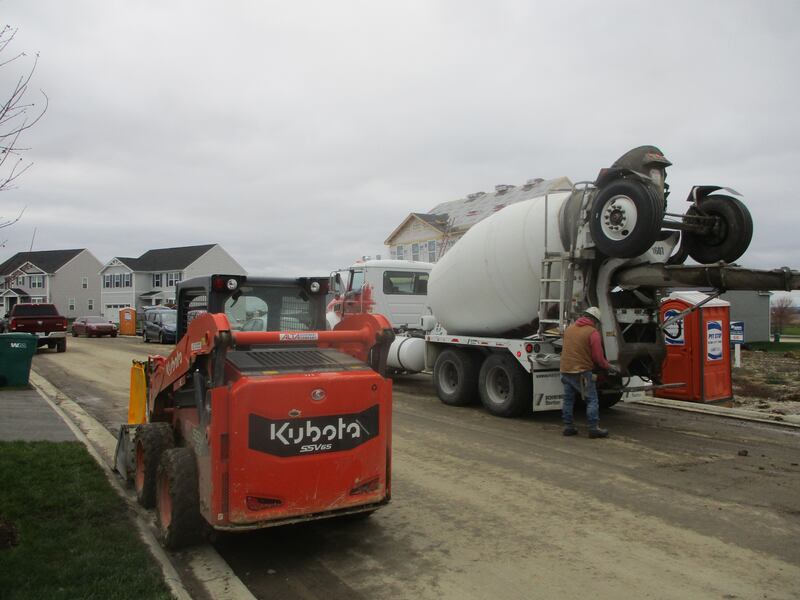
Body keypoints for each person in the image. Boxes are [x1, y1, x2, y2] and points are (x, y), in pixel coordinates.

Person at [559, 306, 616, 438]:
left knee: (568, 399)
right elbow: (598, 358)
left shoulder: (570, 329)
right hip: (581, 372)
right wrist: (610, 367)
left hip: (565, 369)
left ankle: (568, 427)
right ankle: (593, 428)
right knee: (592, 399)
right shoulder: (592, 333)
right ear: (594, 320)